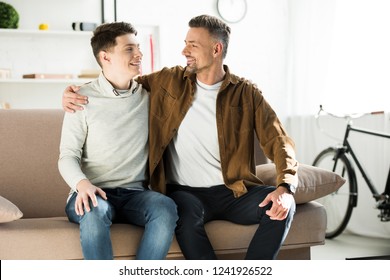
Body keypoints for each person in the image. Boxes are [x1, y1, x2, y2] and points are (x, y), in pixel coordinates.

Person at [62, 15, 298, 260]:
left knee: (282, 206)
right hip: (186, 194)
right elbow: (117, 83)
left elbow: (279, 141)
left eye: (192, 45)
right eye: (185, 42)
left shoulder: (246, 93)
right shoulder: (168, 82)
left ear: (216, 49)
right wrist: (74, 92)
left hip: (234, 190)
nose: (184, 50)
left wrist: (286, 187)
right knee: (178, 211)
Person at [58, 21, 178, 260]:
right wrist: (83, 185)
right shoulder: (81, 99)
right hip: (92, 193)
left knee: (166, 208)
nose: (139, 54)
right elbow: (67, 156)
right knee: (92, 209)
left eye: (138, 47)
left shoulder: (151, 97)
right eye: (129, 49)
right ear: (105, 57)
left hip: (136, 194)